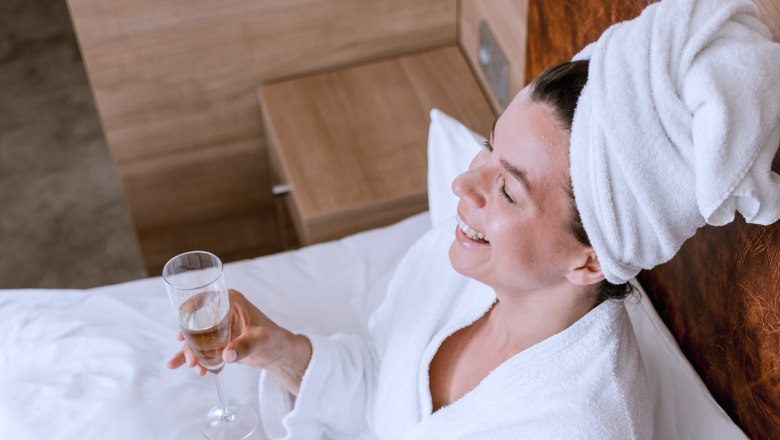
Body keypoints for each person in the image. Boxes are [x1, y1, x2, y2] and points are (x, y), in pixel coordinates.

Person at [168, 61, 652, 439]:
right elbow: (384, 387)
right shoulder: (457, 263)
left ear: (589, 261)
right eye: (488, 146)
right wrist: (280, 350)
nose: (463, 183)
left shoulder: (583, 424)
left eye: (507, 190)